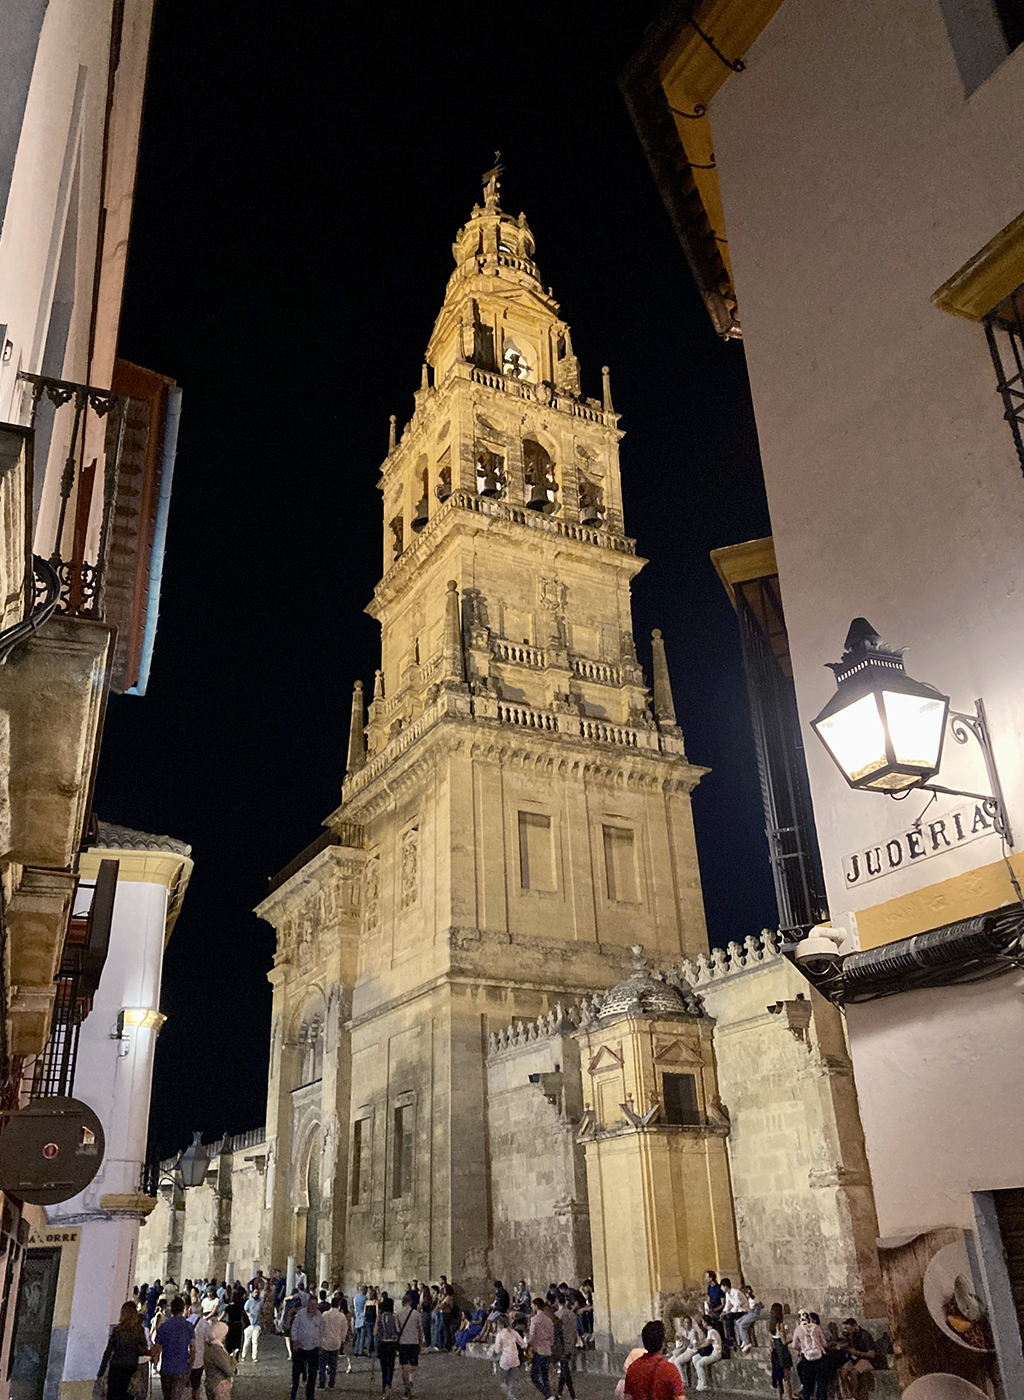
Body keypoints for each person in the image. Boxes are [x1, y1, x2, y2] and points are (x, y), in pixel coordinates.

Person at [98, 1300, 155, 1400]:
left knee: (114, 1395)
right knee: (127, 1395)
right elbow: (143, 1350)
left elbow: (108, 1351)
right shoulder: (139, 1330)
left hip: (116, 1367)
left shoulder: (117, 1330)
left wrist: (101, 1371)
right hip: (131, 1367)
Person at [623, 1319, 685, 1399]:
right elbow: (680, 1397)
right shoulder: (669, 1369)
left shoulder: (633, 1368)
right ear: (663, 1343)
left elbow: (628, 1397)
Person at [153, 1296, 195, 1400]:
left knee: (167, 1396)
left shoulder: (164, 1326)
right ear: (183, 1309)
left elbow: (157, 1347)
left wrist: (155, 1362)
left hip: (166, 1367)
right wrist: (190, 1365)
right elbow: (193, 1348)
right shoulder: (188, 1326)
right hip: (181, 1366)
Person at [289, 1295, 324, 1400]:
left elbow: (321, 1330)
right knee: (296, 1373)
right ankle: (293, 1394)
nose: (313, 1307)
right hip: (300, 1347)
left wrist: (319, 1343)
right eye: (311, 1304)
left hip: (313, 1347)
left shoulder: (319, 1315)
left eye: (315, 1304)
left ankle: (310, 1396)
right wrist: (295, 1341)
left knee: (312, 1373)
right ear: (308, 1304)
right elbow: (294, 1328)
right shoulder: (301, 1314)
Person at [791, 1308, 828, 1400]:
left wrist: (802, 1349)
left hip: (807, 1359)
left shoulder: (798, 1329)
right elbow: (824, 1344)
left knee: (807, 1385)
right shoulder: (816, 1327)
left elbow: (794, 1345)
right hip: (819, 1358)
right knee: (821, 1384)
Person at [838, 1317, 877, 1400]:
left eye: (848, 1328)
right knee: (842, 1372)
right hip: (855, 1359)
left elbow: (872, 1354)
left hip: (866, 1360)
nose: (847, 1331)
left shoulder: (864, 1335)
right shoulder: (851, 1336)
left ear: (855, 1326)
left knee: (853, 1373)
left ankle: (856, 1396)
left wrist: (856, 1352)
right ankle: (849, 1395)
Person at [396, 1290, 424, 1397]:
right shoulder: (416, 1314)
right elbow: (420, 1330)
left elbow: (398, 1330)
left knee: (404, 1366)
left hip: (403, 1342)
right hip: (414, 1342)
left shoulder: (399, 1314)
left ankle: (406, 1386)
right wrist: (421, 1342)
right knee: (414, 1365)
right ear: (411, 1302)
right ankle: (411, 1381)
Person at [201, 1318, 236, 1400]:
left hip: (210, 1382)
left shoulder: (208, 1347)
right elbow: (229, 1371)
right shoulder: (218, 1351)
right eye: (224, 1335)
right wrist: (233, 1359)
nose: (225, 1338)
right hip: (219, 1385)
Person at [527, 1297, 555, 1399]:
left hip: (538, 1350)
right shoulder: (548, 1320)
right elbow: (552, 1336)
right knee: (545, 1375)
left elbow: (532, 1336)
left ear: (536, 1306)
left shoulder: (534, 1320)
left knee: (534, 1376)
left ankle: (547, 1395)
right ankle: (549, 1395)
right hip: (547, 1349)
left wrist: (528, 1342)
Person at [319, 1296, 349, 1388]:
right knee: (333, 1365)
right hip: (336, 1342)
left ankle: (322, 1383)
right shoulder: (341, 1316)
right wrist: (342, 1340)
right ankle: (332, 1383)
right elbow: (344, 1329)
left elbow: (320, 1327)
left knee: (322, 1365)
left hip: (325, 1341)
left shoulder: (325, 1314)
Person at [767, 1303, 795, 1399]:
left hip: (776, 1352)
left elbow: (772, 1341)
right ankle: (789, 1397)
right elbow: (784, 1341)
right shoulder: (780, 1325)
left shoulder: (771, 1325)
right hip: (783, 1353)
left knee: (779, 1377)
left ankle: (779, 1397)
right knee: (786, 1379)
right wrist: (793, 1337)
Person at [375, 1295, 400, 1398]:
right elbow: (398, 1330)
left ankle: (384, 1385)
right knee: (391, 1365)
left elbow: (375, 1331)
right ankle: (389, 1384)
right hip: (391, 1344)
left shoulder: (379, 1317)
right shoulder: (394, 1316)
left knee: (384, 1367)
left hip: (382, 1344)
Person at [552, 1295, 576, 1399]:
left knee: (565, 1369)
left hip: (562, 1345)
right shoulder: (572, 1314)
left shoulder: (557, 1315)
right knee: (564, 1367)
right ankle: (560, 1392)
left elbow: (556, 1333)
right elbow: (575, 1331)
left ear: (557, 1301)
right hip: (571, 1344)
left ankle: (572, 1394)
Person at [690, 1319, 721, 1393]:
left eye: (703, 1322)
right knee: (695, 1358)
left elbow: (707, 1343)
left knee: (699, 1364)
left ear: (706, 1323)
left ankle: (704, 1383)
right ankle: (700, 1379)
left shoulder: (712, 1331)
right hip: (712, 1353)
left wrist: (698, 1347)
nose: (702, 1323)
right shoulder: (710, 1331)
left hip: (715, 1354)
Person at [735, 1286, 763, 1351]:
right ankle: (744, 1339)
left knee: (742, 1325)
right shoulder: (749, 1299)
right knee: (737, 1322)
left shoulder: (752, 1299)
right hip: (750, 1313)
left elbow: (751, 1310)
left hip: (754, 1314)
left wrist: (743, 1307)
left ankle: (747, 1342)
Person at [241, 1286, 262, 1363]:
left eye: (258, 1293)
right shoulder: (248, 1302)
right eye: (255, 1292)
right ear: (252, 1293)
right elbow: (245, 1310)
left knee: (255, 1341)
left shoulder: (260, 1302)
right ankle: (243, 1355)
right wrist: (249, 1315)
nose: (256, 1294)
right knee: (246, 1341)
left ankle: (254, 1356)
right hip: (250, 1324)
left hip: (257, 1324)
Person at [223, 1285, 245, 1359]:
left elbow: (222, 1316)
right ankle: (236, 1356)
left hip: (230, 1325)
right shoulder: (239, 1306)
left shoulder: (228, 1307)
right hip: (238, 1325)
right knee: (237, 1342)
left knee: (229, 1342)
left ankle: (229, 1355)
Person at [702, 1271, 724, 1340]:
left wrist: (714, 1310)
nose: (705, 1279)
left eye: (707, 1277)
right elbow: (709, 1299)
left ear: (711, 1278)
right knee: (703, 1321)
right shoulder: (709, 1288)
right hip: (712, 1310)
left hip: (718, 1311)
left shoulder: (719, 1288)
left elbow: (723, 1304)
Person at [353, 1284, 368, 1355]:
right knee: (362, 1337)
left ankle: (355, 1350)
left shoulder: (355, 1297)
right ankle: (360, 1351)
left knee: (358, 1336)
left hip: (357, 1318)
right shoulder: (365, 1298)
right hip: (363, 1318)